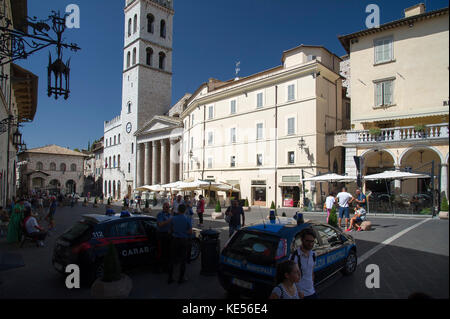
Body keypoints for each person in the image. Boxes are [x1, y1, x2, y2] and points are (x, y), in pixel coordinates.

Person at [289, 228, 318, 299]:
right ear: (302, 240)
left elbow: (311, 273)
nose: (310, 244)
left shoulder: (313, 254)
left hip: (311, 292)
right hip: (299, 294)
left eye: (312, 241)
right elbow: (289, 278)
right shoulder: (294, 256)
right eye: (307, 241)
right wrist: (297, 292)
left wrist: (312, 286)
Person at [168, 204, 192, 284]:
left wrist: (176, 231)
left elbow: (170, 230)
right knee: (183, 260)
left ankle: (170, 278)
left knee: (172, 259)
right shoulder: (187, 219)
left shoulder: (173, 218)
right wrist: (183, 232)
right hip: (183, 240)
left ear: (178, 210)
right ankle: (181, 279)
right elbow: (190, 231)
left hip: (175, 240)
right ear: (185, 210)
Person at [156, 202, 172, 273]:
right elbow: (160, 224)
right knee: (162, 252)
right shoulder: (160, 214)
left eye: (168, 207)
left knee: (168, 252)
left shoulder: (170, 215)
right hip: (161, 235)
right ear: (163, 208)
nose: (168, 208)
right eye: (166, 207)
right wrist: (168, 221)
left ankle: (166, 267)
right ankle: (160, 267)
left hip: (168, 235)